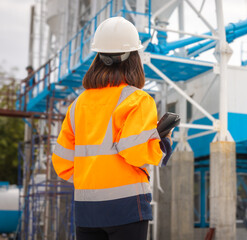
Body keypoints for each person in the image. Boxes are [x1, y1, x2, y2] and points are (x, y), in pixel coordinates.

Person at [52, 17, 173, 240]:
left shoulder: (77, 105)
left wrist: (92, 180)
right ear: (134, 58)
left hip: (87, 209)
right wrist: (162, 143)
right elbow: (135, 152)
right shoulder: (137, 100)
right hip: (126, 209)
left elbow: (63, 162)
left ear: (98, 58)